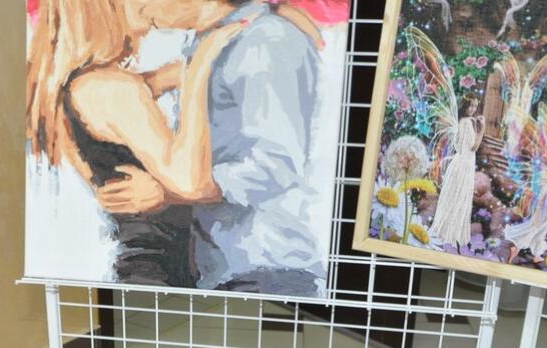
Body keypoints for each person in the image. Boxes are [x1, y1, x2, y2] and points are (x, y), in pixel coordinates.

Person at [95, 0, 327, 296]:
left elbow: (274, 164)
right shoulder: (216, 41)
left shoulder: (265, 40)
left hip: (268, 267)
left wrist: (167, 192)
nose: (141, 6)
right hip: (224, 270)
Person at [27, 0, 245, 287]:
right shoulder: (114, 89)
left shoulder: (83, 86)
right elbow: (193, 183)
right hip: (159, 273)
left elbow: (153, 83)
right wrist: (201, 66)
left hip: (144, 268)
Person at [430, 106, 484, 248]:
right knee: (459, 198)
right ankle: (452, 235)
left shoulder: (464, 121)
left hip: (461, 163)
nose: (473, 109)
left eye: (475, 106)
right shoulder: (466, 122)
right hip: (464, 166)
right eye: (471, 105)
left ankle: (448, 233)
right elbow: (474, 147)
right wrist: (482, 129)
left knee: (455, 198)